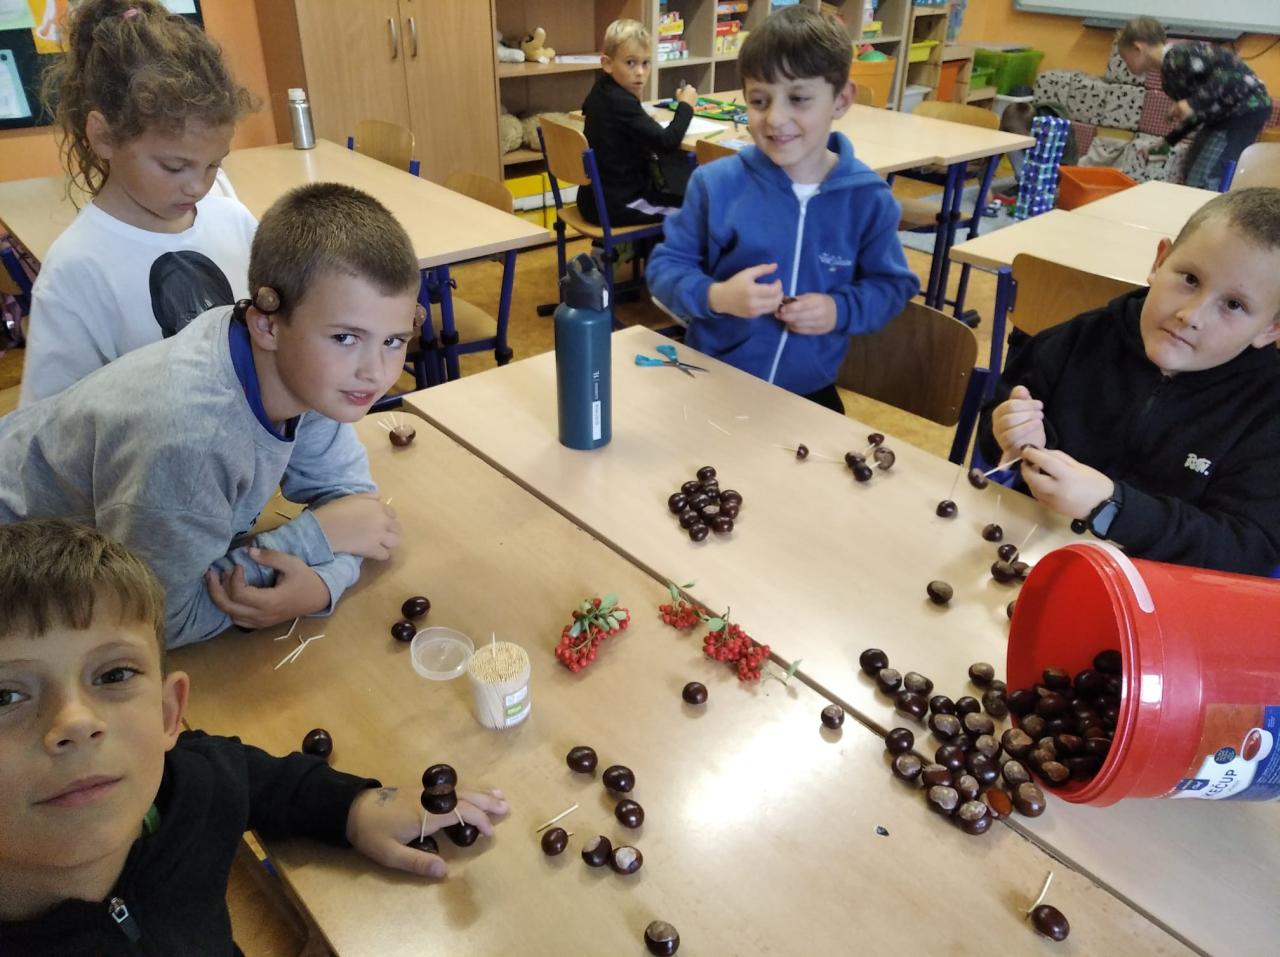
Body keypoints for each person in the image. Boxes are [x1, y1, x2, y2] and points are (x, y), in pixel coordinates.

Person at [0, 519, 508, 953]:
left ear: (168, 712)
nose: (75, 721)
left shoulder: (183, 789)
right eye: (6, 696)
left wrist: (352, 809)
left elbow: (244, 773)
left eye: (113, 675)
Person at [0, 183, 416, 647]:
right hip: (23, 579)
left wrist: (321, 584)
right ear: (267, 324)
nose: (374, 372)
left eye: (393, 341)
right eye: (345, 337)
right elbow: (154, 619)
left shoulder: (313, 374)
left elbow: (358, 511)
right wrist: (314, 540)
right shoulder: (189, 440)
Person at [979, 188, 1280, 577]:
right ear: (1160, 261)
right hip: (1031, 558)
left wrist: (1112, 506)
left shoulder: (1267, 412)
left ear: (1271, 328)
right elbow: (995, 431)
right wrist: (1011, 436)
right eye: (1190, 279)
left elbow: (1246, 549)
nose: (1192, 316)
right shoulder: (1077, 340)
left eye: (1234, 305)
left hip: (1161, 592)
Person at [645, 5, 918, 412]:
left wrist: (838, 309)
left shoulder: (867, 199)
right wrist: (716, 295)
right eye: (759, 100)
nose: (775, 118)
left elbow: (891, 287)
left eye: (799, 99)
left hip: (808, 391)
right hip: (716, 380)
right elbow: (665, 269)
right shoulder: (716, 184)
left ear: (841, 99)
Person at [20, 0, 258, 405]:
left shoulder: (234, 221)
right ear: (104, 137)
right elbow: (50, 421)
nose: (198, 187)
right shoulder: (75, 271)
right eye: (173, 167)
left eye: (214, 165)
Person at [1118, 16, 1272, 190]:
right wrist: (1168, 142)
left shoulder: (1181, 55)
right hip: (1219, 118)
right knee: (1191, 166)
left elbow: (1229, 76)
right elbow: (1197, 115)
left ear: (1137, 48)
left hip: (1245, 111)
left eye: (1125, 57)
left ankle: (1210, 200)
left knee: (1209, 176)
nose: (1126, 63)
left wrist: (1193, 102)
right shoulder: (1169, 80)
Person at [579, 18, 699, 226]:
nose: (640, 72)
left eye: (646, 63)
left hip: (593, 200)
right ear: (607, 64)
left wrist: (641, 120)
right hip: (621, 205)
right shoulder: (621, 101)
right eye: (630, 63)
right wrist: (686, 106)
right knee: (698, 211)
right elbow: (667, 142)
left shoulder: (601, 89)